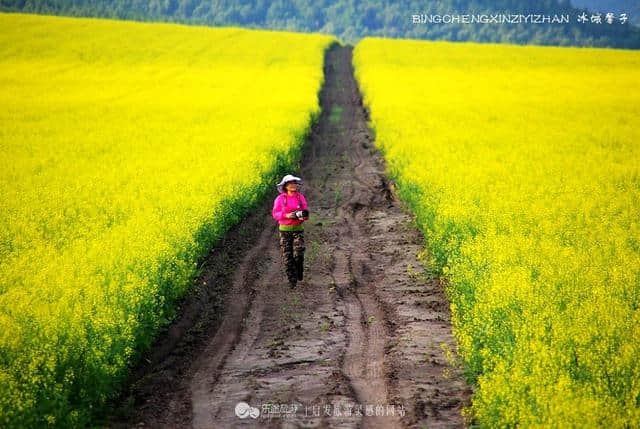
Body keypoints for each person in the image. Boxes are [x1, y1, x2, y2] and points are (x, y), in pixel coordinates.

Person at [272, 174, 310, 289]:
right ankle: (292, 281)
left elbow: (306, 213)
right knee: (288, 257)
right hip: (284, 231)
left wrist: (302, 215)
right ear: (285, 186)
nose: (293, 185)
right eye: (290, 183)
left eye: (294, 183)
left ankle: (299, 270)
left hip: (298, 230)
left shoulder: (300, 197)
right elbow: (275, 214)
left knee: (298, 253)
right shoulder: (280, 199)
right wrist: (287, 215)